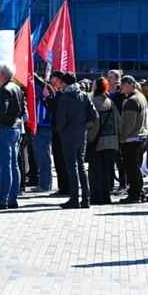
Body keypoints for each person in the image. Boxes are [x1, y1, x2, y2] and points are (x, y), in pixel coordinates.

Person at [0, 62, 24, 212]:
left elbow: (2, 109)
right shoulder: (16, 88)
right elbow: (22, 108)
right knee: (13, 165)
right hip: (15, 129)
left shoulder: (5, 90)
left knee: (5, 166)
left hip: (5, 129)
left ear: (1, 73)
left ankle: (3, 199)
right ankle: (12, 199)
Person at [54, 72, 95, 209]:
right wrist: (84, 126)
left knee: (72, 167)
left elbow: (61, 119)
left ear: (65, 83)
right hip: (81, 134)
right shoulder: (83, 95)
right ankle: (86, 198)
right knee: (82, 166)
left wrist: (59, 130)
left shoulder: (65, 97)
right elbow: (93, 115)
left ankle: (74, 198)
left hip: (68, 135)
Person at [87, 78, 119, 206]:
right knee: (106, 170)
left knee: (95, 170)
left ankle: (96, 197)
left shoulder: (93, 102)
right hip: (110, 140)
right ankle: (106, 197)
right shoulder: (110, 102)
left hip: (96, 140)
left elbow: (90, 122)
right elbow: (119, 120)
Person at [118, 75, 148, 204]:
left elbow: (129, 122)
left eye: (124, 85)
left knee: (132, 168)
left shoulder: (133, 100)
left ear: (131, 84)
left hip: (132, 138)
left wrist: (123, 137)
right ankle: (139, 192)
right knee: (135, 167)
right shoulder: (140, 97)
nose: (122, 87)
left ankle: (134, 194)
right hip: (141, 137)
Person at [31, 76, 54, 193]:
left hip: (44, 128)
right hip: (38, 129)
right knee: (39, 158)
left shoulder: (46, 96)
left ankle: (45, 184)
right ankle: (44, 182)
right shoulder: (38, 99)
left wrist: (32, 74)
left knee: (44, 158)